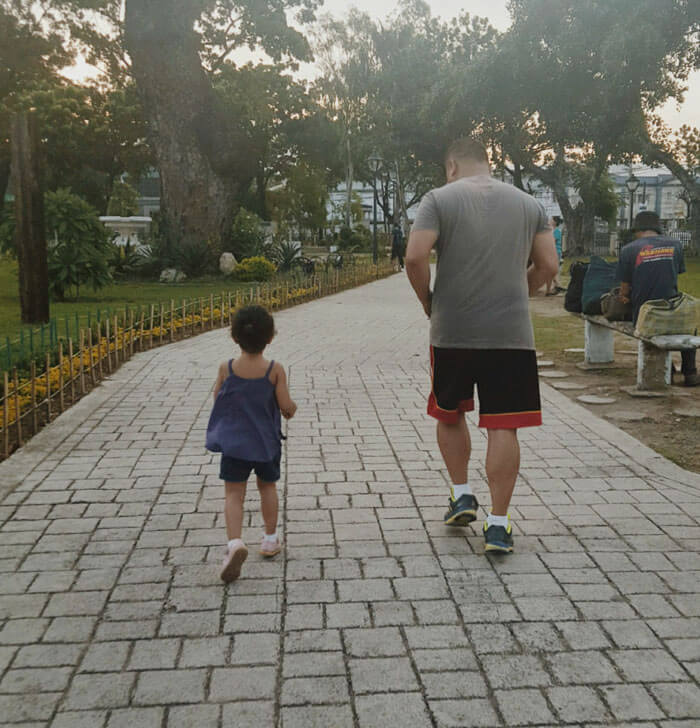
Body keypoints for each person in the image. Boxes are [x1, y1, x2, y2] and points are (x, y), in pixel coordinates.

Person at [405, 138, 558, 554]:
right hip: (510, 336)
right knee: (503, 425)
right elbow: (549, 266)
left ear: (451, 165)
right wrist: (518, 293)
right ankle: (498, 523)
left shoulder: (438, 199)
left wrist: (428, 300)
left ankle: (461, 493)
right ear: (488, 163)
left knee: (449, 411)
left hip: (453, 331)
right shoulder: (530, 205)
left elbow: (415, 257)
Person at [206, 305, 297, 582]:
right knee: (267, 487)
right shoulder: (274, 370)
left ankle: (234, 543)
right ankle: (269, 539)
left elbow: (217, 399)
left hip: (234, 445)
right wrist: (291, 409)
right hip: (265, 444)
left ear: (235, 338)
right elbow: (286, 407)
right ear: (270, 338)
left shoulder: (226, 368)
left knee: (234, 494)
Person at [617, 210, 698, 387]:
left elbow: (625, 288)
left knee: (652, 329)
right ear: (657, 228)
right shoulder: (676, 244)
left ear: (637, 230)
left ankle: (667, 369)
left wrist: (624, 297)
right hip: (673, 308)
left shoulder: (628, 250)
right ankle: (690, 372)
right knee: (689, 326)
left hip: (646, 312)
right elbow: (675, 273)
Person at [546, 217, 564, 295]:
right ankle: (556, 286)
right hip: (552, 252)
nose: (549, 220)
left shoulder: (557, 231)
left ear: (554, 222)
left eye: (551, 219)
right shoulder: (552, 231)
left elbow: (551, 241)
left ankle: (555, 286)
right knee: (550, 270)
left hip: (556, 252)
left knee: (551, 270)